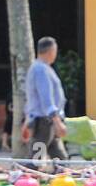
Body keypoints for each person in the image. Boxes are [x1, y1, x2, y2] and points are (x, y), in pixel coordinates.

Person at [23, 36, 67, 164]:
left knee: (58, 155)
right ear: (51, 51)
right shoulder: (40, 69)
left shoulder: (42, 68)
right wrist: (57, 121)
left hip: (47, 120)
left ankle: (63, 176)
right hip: (44, 121)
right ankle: (28, 179)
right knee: (37, 157)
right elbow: (46, 98)